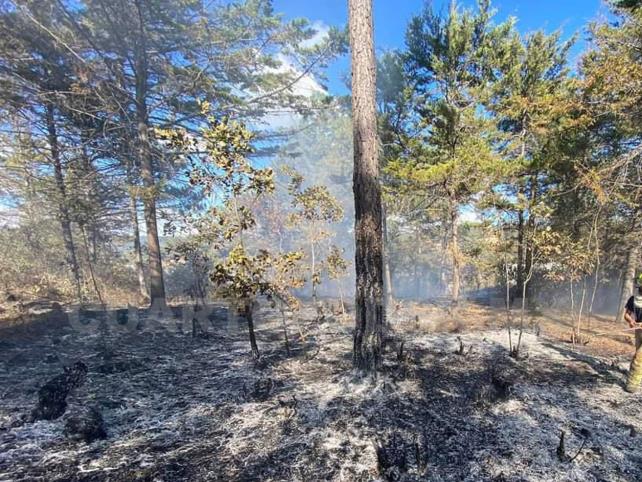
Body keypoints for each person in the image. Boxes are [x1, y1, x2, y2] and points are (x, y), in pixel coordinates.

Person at [624, 274, 642, 393]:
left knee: (638, 358)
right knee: (638, 355)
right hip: (639, 332)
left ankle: (632, 386)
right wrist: (631, 321)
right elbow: (626, 315)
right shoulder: (634, 299)